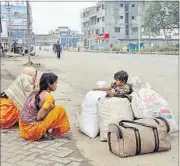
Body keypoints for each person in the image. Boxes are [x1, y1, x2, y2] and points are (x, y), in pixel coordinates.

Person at [19, 72, 70, 141]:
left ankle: (45, 131)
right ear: (49, 84)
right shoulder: (48, 97)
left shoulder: (36, 91)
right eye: (55, 83)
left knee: (54, 109)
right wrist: (50, 108)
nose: (56, 85)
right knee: (60, 109)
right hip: (31, 132)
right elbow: (39, 117)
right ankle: (46, 132)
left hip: (23, 130)